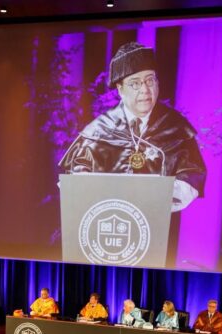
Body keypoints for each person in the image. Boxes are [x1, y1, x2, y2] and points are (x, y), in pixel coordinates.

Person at [58, 41, 206, 213]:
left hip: (158, 226)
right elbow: (73, 181)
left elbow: (191, 177)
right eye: (135, 83)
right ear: (120, 89)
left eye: (150, 80)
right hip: (106, 227)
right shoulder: (99, 130)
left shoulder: (177, 128)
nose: (145, 89)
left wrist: (153, 197)